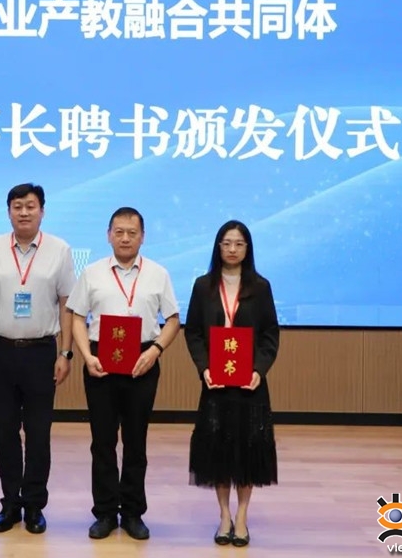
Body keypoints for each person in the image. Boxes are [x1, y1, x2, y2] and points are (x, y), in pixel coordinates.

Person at [66, 207, 180, 541]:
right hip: (100, 361)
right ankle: (104, 512)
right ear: (108, 235)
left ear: (142, 236)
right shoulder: (92, 273)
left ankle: (132, 512)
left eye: (132, 232)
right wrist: (86, 355)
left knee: (135, 441)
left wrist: (155, 350)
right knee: (102, 442)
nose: (125, 238)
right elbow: (77, 316)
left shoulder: (158, 273)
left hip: (142, 360)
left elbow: (172, 319)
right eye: (119, 232)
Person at [0, 183, 76, 534]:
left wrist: (65, 352)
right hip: (0, 350)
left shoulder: (60, 250)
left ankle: (34, 504)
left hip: (41, 352)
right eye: (17, 206)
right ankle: (10, 504)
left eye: (30, 206)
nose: (24, 212)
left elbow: (66, 304)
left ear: (42, 211)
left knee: (38, 432)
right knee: (4, 431)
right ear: (8, 212)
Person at [184, 220, 279, 548]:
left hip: (250, 383)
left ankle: (242, 517)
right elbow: (193, 332)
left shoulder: (261, 287)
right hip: (216, 382)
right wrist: (203, 368)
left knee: (248, 449)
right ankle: (224, 515)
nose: (233, 249)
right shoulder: (203, 286)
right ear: (218, 247)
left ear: (247, 248)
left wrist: (259, 370)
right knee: (219, 449)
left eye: (239, 243)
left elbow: (270, 334)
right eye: (227, 243)